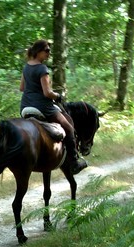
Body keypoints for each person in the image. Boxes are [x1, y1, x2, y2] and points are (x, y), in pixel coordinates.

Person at [20, 39, 87, 174]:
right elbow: (47, 92)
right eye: (47, 51)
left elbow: (22, 88)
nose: (49, 54)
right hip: (42, 107)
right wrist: (57, 96)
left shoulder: (26, 67)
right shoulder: (42, 69)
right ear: (38, 51)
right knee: (68, 127)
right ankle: (74, 162)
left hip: (25, 106)